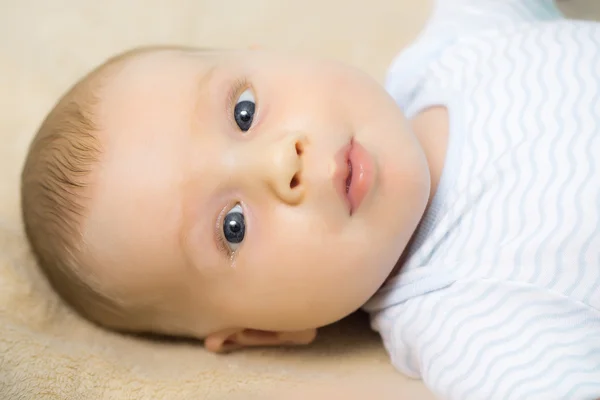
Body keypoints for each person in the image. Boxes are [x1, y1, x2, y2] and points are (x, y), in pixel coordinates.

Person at [20, 1, 600, 398]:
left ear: (267, 53)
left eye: (243, 112)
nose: (281, 162)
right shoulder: (475, 325)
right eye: (233, 227)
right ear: (263, 334)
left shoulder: (462, 40)